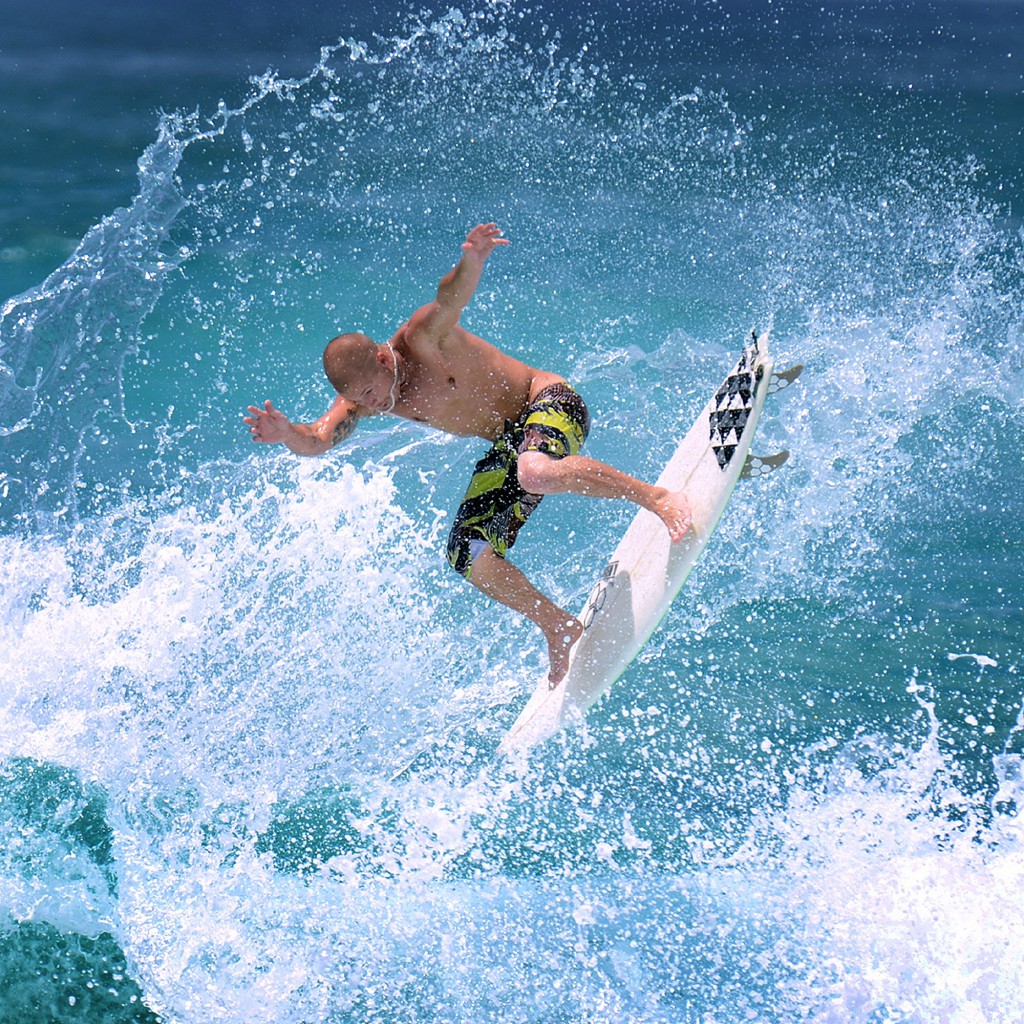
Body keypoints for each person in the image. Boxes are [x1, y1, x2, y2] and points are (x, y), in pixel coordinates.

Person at [244, 223, 691, 684]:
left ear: (381, 358)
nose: (372, 403)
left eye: (371, 390)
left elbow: (448, 300)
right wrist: (286, 434)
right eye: (360, 398)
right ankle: (558, 626)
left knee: (534, 470)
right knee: (465, 550)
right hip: (510, 443)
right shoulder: (362, 397)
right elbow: (318, 439)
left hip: (551, 402)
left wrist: (472, 260)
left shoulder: (420, 340)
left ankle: (656, 498)